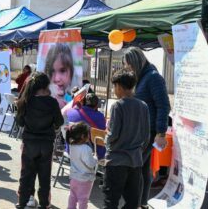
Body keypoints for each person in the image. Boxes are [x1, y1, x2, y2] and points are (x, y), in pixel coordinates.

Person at [122, 47, 170, 209]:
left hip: (148, 132)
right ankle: (141, 203)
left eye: (129, 66)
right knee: (142, 169)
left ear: (136, 62)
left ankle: (135, 203)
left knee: (136, 168)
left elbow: (163, 106)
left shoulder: (153, 77)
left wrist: (161, 132)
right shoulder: (142, 77)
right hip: (141, 131)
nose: (128, 69)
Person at [103, 69, 150, 209]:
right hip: (135, 162)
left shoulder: (118, 106)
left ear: (118, 86)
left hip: (116, 161)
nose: (113, 90)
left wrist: (106, 139)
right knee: (132, 202)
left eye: (114, 86)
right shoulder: (144, 106)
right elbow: (146, 137)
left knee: (111, 201)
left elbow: (113, 135)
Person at [15, 72, 64, 209]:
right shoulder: (52, 102)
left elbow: (20, 122)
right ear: (46, 85)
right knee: (44, 177)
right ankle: (43, 205)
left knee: (26, 175)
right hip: (46, 144)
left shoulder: (25, 101)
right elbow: (59, 122)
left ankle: (22, 203)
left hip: (29, 144)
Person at [66, 122, 97, 209]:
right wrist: (95, 158)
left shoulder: (72, 146)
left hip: (73, 177)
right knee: (83, 200)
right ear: (83, 136)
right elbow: (90, 164)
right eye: (88, 134)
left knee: (72, 197)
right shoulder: (86, 148)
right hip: (84, 179)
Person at [65, 93, 106, 158]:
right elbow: (102, 133)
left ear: (83, 102)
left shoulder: (70, 112)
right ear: (96, 105)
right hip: (92, 153)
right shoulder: (100, 116)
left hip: (71, 149)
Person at [45, 44, 74, 108]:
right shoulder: (43, 100)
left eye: (62, 70)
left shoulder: (73, 100)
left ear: (71, 73)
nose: (57, 78)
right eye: (52, 71)